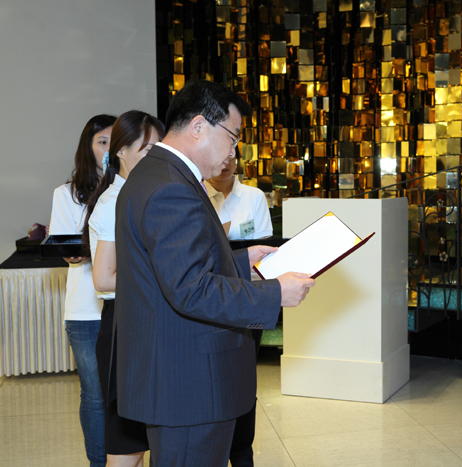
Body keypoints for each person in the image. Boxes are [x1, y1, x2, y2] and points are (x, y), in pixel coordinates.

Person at [113, 80, 315, 467]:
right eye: (233, 137)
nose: (233, 151)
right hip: (190, 383)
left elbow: (169, 269)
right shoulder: (171, 187)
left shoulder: (155, 173)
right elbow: (191, 289)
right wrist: (276, 293)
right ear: (199, 126)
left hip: (176, 374)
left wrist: (241, 261)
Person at [82, 110, 166, 467]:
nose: (154, 157)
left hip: (143, 321)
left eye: (158, 149)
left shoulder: (136, 194)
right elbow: (103, 279)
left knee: (145, 438)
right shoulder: (115, 201)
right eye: (146, 149)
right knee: (126, 446)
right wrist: (164, 280)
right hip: (124, 327)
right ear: (121, 152)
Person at [49, 114, 116, 467]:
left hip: (124, 304)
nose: (108, 149)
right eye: (102, 142)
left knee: (127, 392)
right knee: (94, 395)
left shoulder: (131, 189)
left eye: (114, 142)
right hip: (85, 310)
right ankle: (98, 462)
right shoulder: (65, 194)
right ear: (87, 147)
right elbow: (68, 248)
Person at [204, 146, 272, 466]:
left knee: (244, 380)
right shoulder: (195, 195)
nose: (227, 162)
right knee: (214, 382)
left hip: (246, 299)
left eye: (233, 155)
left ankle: (242, 452)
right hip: (209, 301)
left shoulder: (253, 197)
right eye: (222, 154)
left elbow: (263, 253)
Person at [205, 145, 273, 241]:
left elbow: (262, 243)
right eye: (217, 156)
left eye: (229, 156)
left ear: (236, 159)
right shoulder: (195, 195)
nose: (225, 162)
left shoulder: (255, 196)